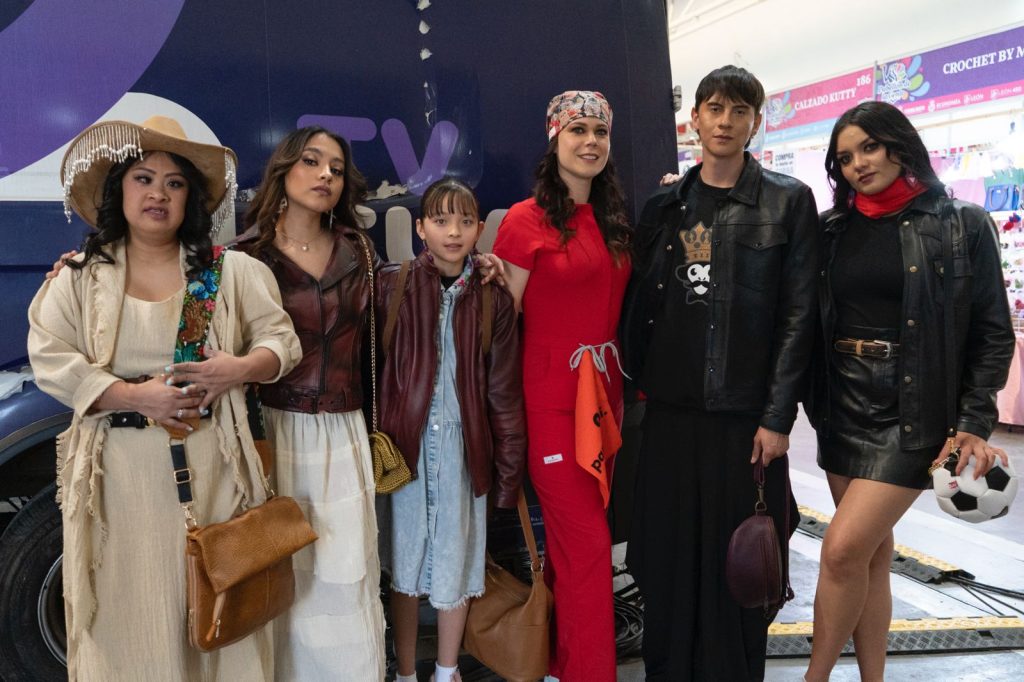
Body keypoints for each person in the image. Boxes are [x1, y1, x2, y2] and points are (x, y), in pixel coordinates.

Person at [28, 116, 301, 680]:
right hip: (116, 485)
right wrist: (133, 395)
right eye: (143, 178)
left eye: (174, 183)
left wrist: (238, 369)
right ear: (119, 191)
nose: (158, 193)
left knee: (215, 616)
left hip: (213, 476)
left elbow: (283, 343)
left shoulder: (227, 272)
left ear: (190, 200)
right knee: (125, 622)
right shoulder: (80, 277)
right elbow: (50, 358)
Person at [803, 101, 1014, 682]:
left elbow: (993, 331)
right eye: (845, 157)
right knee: (870, 556)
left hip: (914, 408)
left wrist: (973, 420)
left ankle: (814, 678)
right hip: (841, 401)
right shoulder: (831, 229)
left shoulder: (962, 223)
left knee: (841, 550)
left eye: (869, 147)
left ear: (899, 145)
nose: (858, 164)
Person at [621, 65, 818, 681]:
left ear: (756, 122)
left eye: (739, 110)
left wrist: (777, 417)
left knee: (742, 567)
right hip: (670, 419)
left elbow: (800, 316)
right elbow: (640, 305)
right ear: (695, 120)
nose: (725, 121)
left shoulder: (788, 202)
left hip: (745, 424)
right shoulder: (664, 206)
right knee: (666, 563)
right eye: (714, 108)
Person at [232, 126, 387, 680]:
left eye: (337, 169)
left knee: (346, 569)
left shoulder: (358, 250)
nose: (325, 175)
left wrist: (478, 270)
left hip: (343, 429)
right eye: (313, 162)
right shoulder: (246, 256)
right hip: (273, 431)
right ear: (284, 170)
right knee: (279, 574)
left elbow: (400, 314)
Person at [493, 90, 632, 682]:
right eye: (578, 130)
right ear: (555, 139)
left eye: (600, 131)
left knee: (577, 551)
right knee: (589, 547)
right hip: (551, 405)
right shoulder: (524, 220)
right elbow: (499, 329)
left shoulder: (614, 220)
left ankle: (559, 663)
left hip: (604, 402)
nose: (590, 142)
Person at [377, 177, 526, 682]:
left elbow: (504, 394)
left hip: (464, 452)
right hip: (405, 450)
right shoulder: (392, 286)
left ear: (480, 228)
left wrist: (507, 475)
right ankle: (405, 671)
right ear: (421, 228)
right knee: (403, 567)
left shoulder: (492, 299)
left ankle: (446, 670)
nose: (454, 232)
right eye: (441, 220)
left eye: (465, 221)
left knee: (456, 564)